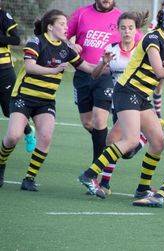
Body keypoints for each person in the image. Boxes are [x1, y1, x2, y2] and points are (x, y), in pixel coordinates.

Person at [78, 8, 164, 200]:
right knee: (131, 140)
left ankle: (142, 188)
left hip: (141, 97)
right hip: (127, 91)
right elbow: (160, 72)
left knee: (158, 143)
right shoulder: (153, 39)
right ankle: (89, 175)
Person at [0, 9, 97, 191]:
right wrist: (53, 70)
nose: (66, 27)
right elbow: (29, 67)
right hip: (24, 97)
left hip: (45, 101)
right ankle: (1, 164)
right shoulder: (36, 42)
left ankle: (29, 178)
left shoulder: (67, 48)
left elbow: (88, 68)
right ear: (50, 27)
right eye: (62, 24)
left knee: (45, 137)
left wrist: (106, 64)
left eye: (66, 24)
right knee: (13, 137)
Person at [90, 11, 149, 197]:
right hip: (119, 104)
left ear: (136, 30)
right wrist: (104, 63)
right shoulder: (112, 49)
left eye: (131, 28)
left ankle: (104, 183)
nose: (127, 31)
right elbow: (95, 75)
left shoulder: (142, 49)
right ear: (118, 29)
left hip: (137, 101)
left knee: (112, 141)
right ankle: (144, 138)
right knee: (125, 151)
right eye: (123, 28)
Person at [67, 0, 123, 166]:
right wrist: (70, 44)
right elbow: (63, 35)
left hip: (106, 75)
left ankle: (96, 168)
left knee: (100, 119)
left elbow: (138, 42)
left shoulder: (121, 18)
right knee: (88, 123)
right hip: (82, 74)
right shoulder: (81, 13)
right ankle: (112, 144)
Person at [0, 3, 36, 157]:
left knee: (9, 110)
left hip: (4, 70)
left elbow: (16, 40)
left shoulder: (3, 16)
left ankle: (28, 131)